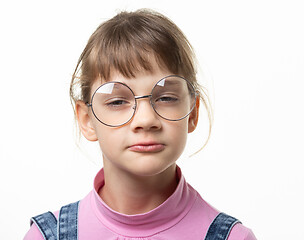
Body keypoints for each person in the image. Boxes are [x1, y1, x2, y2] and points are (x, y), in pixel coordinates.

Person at [24, 9, 256, 240]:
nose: (146, 120)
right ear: (87, 120)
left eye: (166, 98)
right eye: (117, 101)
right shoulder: (44, 237)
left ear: (192, 113)